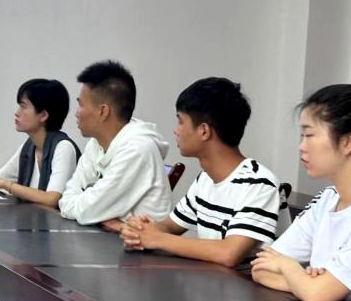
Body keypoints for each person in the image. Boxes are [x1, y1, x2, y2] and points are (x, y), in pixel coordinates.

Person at [121, 78, 289, 266]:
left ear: (204, 131)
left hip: (251, 284)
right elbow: (169, 226)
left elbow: (228, 253)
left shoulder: (259, 183)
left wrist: (157, 238)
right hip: (216, 280)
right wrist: (141, 230)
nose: (176, 130)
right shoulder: (205, 179)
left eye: (180, 121)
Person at [251, 84, 351, 301]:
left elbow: (317, 296)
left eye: (309, 135)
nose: (302, 146)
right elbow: (261, 268)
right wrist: (306, 284)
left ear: (348, 142)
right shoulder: (327, 199)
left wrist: (288, 267)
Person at [58, 61, 172, 230]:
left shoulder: (137, 149)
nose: (76, 113)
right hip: (108, 239)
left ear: (103, 111)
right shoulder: (95, 144)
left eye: (81, 104)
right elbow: (67, 200)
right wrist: (99, 213)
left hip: (139, 246)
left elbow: (87, 211)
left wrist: (93, 210)